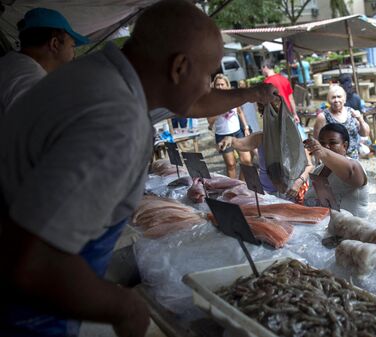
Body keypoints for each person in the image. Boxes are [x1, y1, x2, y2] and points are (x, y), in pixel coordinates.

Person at [0, 1, 276, 336]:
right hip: (26, 312)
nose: (209, 85)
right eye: (207, 75)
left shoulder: (95, 75)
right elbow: (35, 263)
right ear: (178, 68)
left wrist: (250, 93)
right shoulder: (116, 121)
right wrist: (123, 308)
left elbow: (195, 99)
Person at [0, 7, 89, 117]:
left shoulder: (13, 62)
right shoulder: (30, 80)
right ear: (54, 44)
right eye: (72, 46)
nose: (74, 54)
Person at [217, 126, 315, 203]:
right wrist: (230, 139)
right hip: (266, 192)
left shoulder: (293, 137)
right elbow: (241, 144)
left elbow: (310, 165)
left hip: (291, 192)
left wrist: (299, 181)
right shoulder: (261, 137)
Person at [303, 123, 369, 218]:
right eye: (322, 143)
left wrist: (322, 151)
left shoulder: (354, 166)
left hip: (352, 230)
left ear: (345, 146)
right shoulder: (317, 171)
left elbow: (352, 172)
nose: (327, 147)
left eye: (332, 143)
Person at [207, 74, 252, 179]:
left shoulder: (233, 97)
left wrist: (245, 127)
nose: (220, 87)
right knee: (231, 164)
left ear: (227, 85)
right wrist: (219, 110)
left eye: (222, 84)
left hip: (237, 133)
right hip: (222, 135)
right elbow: (210, 121)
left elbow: (240, 112)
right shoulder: (212, 101)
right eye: (217, 85)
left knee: (247, 161)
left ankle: (241, 184)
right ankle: (233, 189)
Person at [312, 85, 370, 160]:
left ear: (345, 99)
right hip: (333, 159)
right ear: (328, 100)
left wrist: (360, 119)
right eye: (333, 97)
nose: (336, 100)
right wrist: (320, 160)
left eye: (339, 97)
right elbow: (316, 141)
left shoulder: (351, 112)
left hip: (353, 159)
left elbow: (365, 133)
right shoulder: (323, 117)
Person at [261, 58, 300, 123]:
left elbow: (266, 102)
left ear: (265, 67)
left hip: (276, 115)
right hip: (288, 113)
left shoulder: (266, 83)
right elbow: (291, 99)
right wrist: (295, 114)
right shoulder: (284, 79)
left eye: (262, 68)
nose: (261, 71)